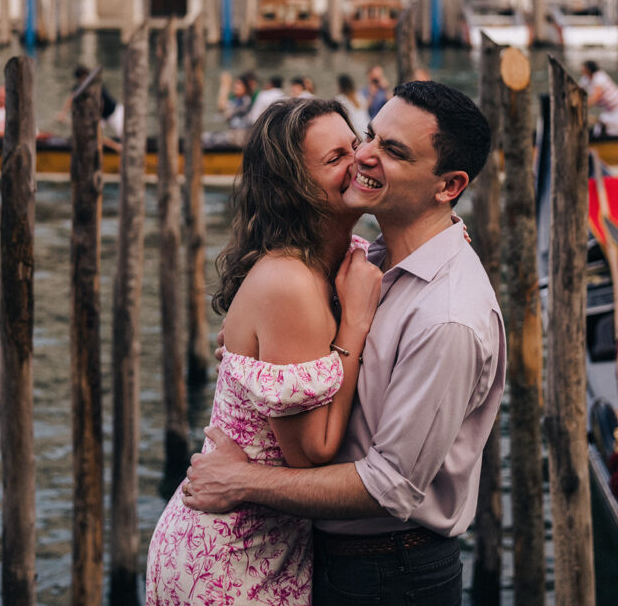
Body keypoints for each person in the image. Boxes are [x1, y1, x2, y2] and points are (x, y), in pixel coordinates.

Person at [183, 81, 506, 606]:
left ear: (448, 187)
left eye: (394, 152)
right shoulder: (369, 261)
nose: (365, 157)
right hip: (331, 559)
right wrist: (259, 360)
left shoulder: (448, 319)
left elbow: (391, 487)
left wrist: (242, 481)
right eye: (371, 136)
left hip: (391, 573)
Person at [146, 98, 383, 605]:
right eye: (336, 156)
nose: (359, 159)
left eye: (356, 143)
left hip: (260, 547)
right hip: (230, 558)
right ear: (295, 189)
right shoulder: (290, 284)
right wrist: (356, 326)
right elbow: (311, 453)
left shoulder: (329, 262)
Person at [57, 65, 124, 144]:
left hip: (114, 113)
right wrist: (63, 113)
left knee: (123, 136)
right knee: (92, 136)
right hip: (101, 116)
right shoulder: (80, 87)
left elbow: (98, 105)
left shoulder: (95, 86)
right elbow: (71, 98)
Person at [580, 60, 618, 136]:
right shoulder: (586, 79)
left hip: (615, 110)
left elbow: (596, 97)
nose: (581, 70)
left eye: (583, 68)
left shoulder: (599, 77)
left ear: (588, 69)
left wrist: (582, 107)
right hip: (607, 112)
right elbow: (578, 89)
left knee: (610, 132)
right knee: (597, 131)